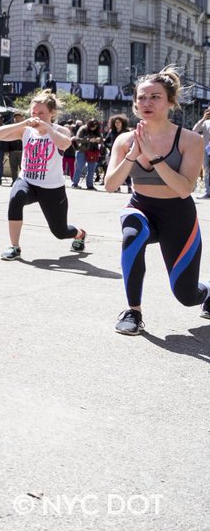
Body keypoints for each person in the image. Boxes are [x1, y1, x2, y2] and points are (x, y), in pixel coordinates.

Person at [104, 68, 210, 335]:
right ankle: (133, 312)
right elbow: (110, 185)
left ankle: (207, 290)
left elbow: (185, 189)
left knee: (186, 296)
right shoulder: (125, 140)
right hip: (141, 208)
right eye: (141, 98)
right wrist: (133, 155)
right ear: (135, 103)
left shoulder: (191, 140)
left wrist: (154, 157)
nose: (147, 103)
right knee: (132, 234)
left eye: (155, 97)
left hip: (178, 216)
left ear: (170, 102)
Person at [0, 91, 87, 261]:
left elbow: (64, 144)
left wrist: (47, 128)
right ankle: (14, 246)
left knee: (60, 232)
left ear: (52, 113)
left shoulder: (60, 130)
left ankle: (79, 234)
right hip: (27, 180)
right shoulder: (26, 131)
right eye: (33, 113)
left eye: (41, 113)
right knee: (16, 196)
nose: (36, 117)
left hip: (52, 188)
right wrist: (23, 124)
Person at [104, 114, 132, 194]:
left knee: (126, 171)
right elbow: (106, 142)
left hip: (125, 153)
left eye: (119, 122)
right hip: (114, 154)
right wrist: (111, 147)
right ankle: (117, 187)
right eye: (116, 122)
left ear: (122, 123)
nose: (117, 124)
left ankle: (129, 186)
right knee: (115, 170)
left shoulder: (126, 131)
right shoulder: (111, 132)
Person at [71, 119, 102, 190]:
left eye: (96, 126)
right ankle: (74, 184)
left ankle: (90, 185)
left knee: (92, 169)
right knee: (80, 168)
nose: (94, 128)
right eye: (93, 126)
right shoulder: (83, 129)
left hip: (93, 152)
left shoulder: (97, 131)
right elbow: (77, 139)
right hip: (82, 151)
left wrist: (98, 140)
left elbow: (101, 140)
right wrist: (89, 140)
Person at [191, 107, 210, 199]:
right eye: (208, 110)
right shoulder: (206, 122)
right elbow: (194, 130)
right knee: (206, 172)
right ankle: (208, 192)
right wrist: (203, 119)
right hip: (206, 150)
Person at [6, 111, 25, 181]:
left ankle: (23, 181)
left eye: (19, 117)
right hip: (12, 151)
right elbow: (8, 139)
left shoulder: (25, 127)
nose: (17, 119)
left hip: (22, 151)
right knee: (13, 168)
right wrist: (7, 150)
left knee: (23, 167)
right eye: (16, 117)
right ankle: (14, 181)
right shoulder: (11, 127)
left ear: (22, 118)